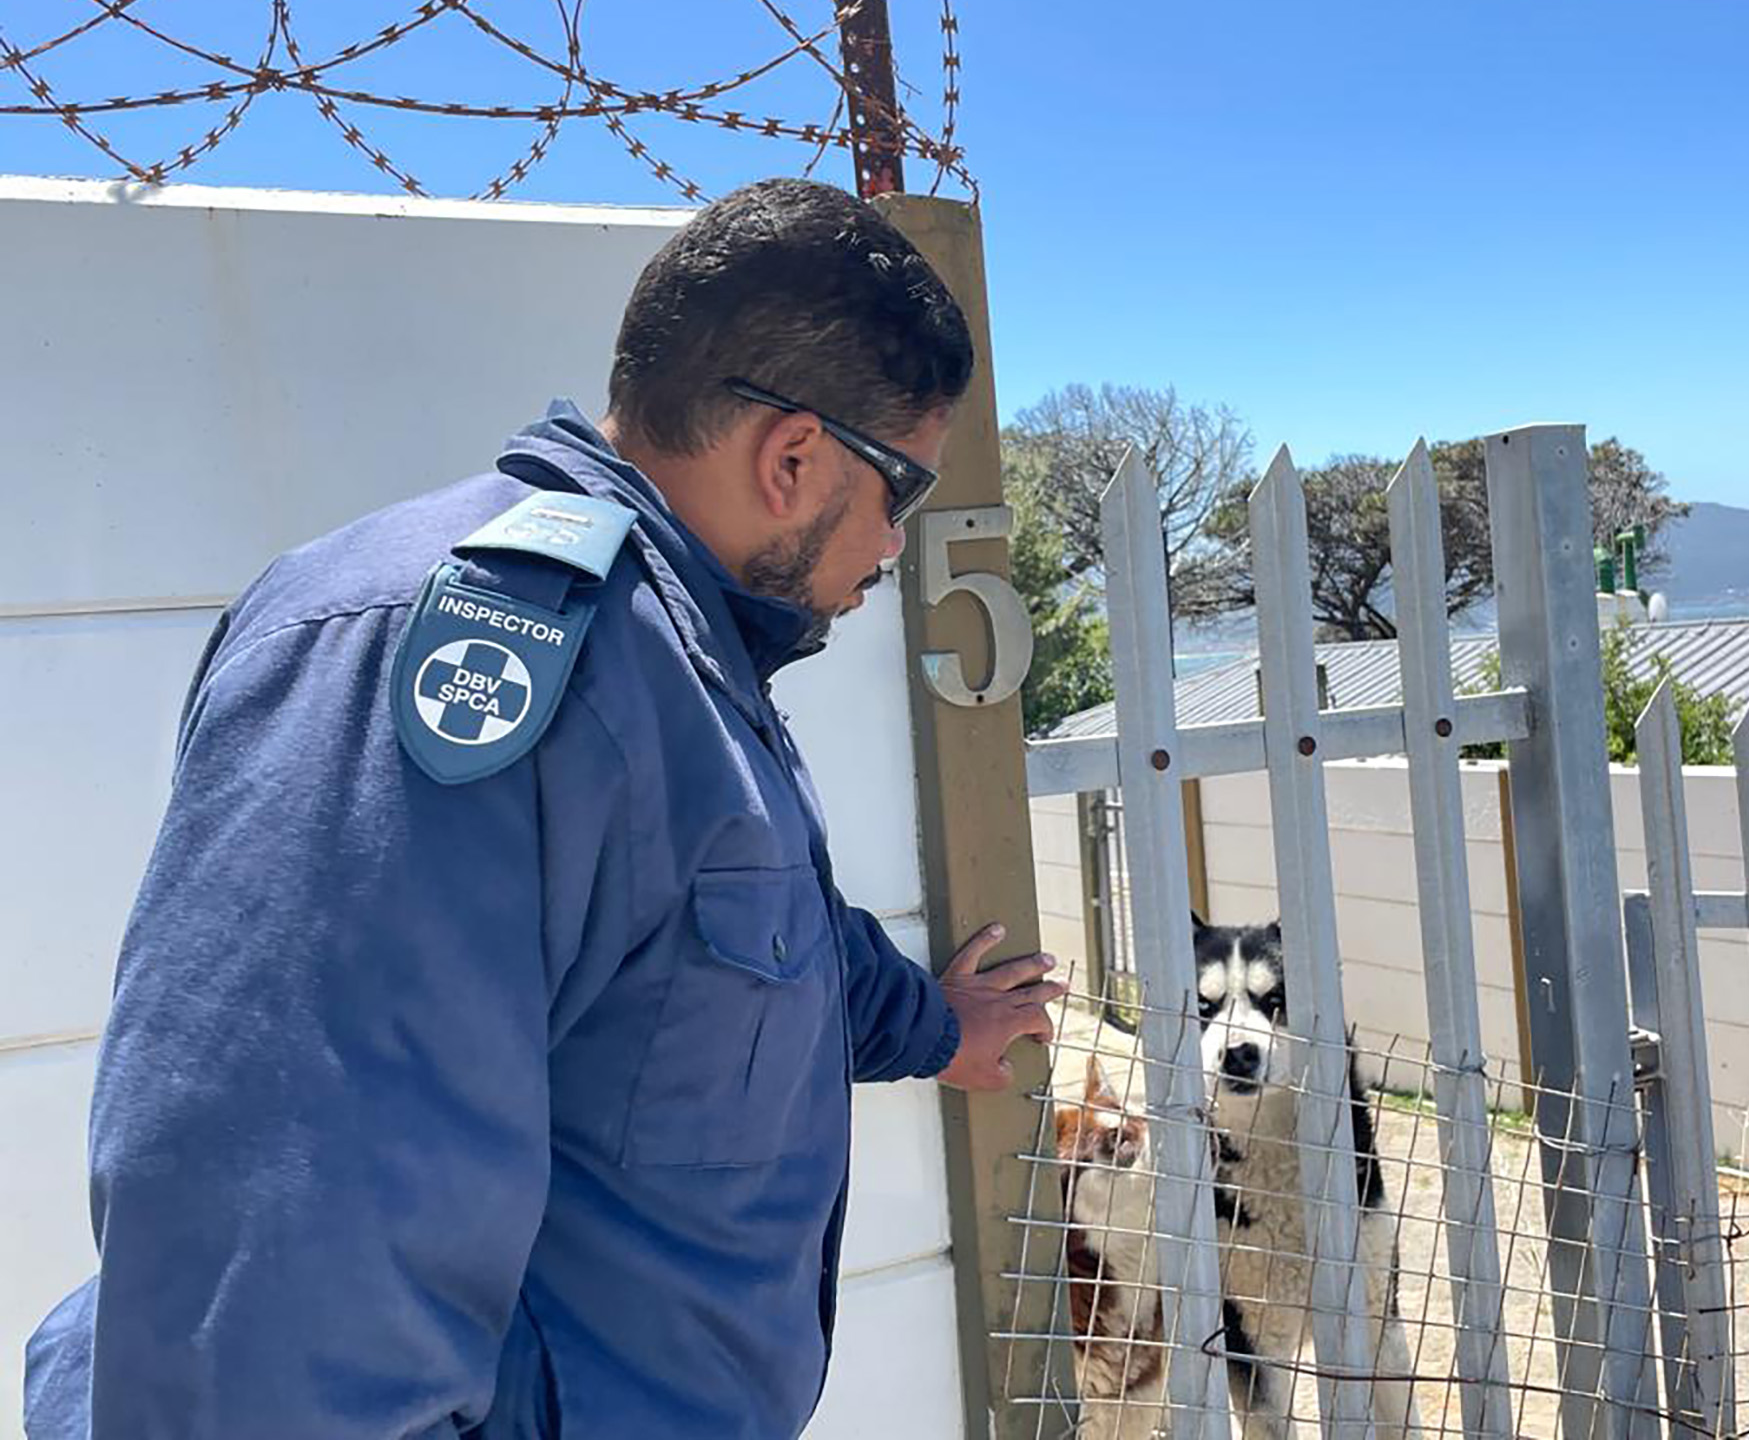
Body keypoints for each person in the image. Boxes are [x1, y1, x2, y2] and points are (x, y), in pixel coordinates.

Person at [24, 177, 1062, 1439]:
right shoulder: (477, 646)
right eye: (902, 494)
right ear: (793, 458)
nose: (898, 545)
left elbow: (744, 937)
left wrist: (926, 1026)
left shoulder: (674, 658)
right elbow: (279, 1271)